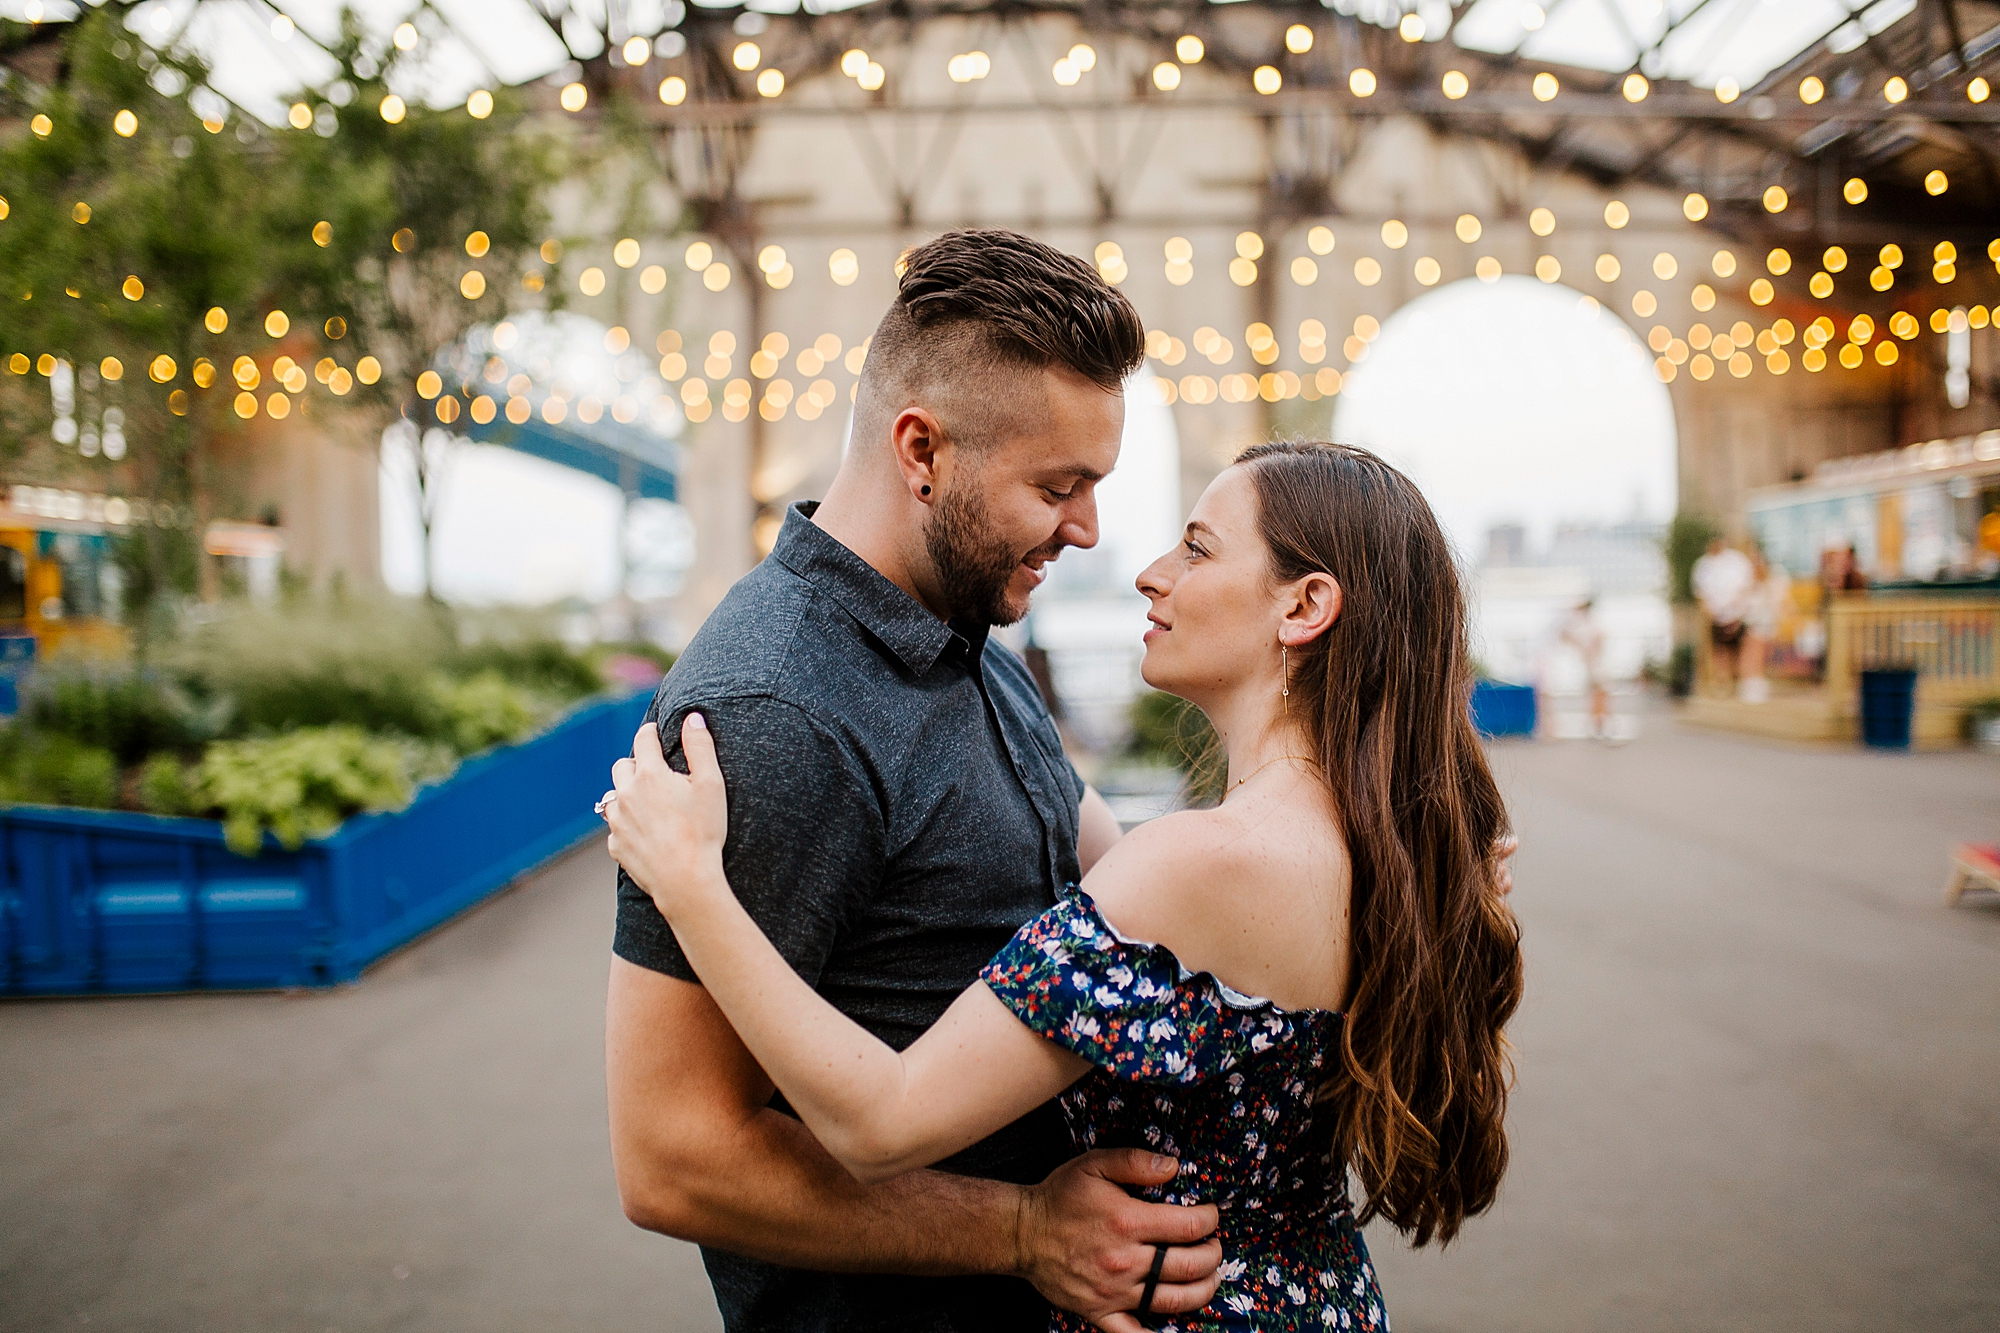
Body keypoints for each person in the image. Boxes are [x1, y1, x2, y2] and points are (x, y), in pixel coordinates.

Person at [608, 441, 1526, 1332]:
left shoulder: (1195, 866)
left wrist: (694, 887)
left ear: (1305, 606)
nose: (1150, 572)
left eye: (1198, 548)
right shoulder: (1390, 853)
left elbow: (878, 1120)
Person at [604, 229, 1226, 1333]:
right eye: (1057, 485)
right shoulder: (770, 714)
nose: (1085, 530)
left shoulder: (969, 627)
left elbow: (1128, 889)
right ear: (920, 450)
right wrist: (1025, 1231)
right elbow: (674, 1156)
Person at [1692, 537, 1755, 695]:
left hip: (1737, 614)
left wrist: (1738, 610)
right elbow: (1700, 592)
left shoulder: (1737, 562)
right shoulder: (1703, 565)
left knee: (1738, 650)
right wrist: (1709, 611)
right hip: (1715, 617)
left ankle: (1737, 682)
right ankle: (1721, 683)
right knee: (1719, 651)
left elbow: (1746, 586)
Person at [1557, 596, 1610, 738]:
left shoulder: (1586, 626)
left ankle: (1598, 724)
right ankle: (1598, 725)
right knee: (1598, 694)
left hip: (1593, 664)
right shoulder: (1585, 626)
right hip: (1592, 665)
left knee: (1598, 694)